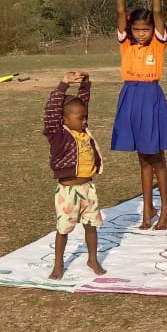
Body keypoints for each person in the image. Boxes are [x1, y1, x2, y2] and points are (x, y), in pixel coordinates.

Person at [111, 0, 167, 230]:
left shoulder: (158, 43)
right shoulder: (126, 43)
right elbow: (119, 11)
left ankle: (165, 207)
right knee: (143, 159)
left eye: (145, 29)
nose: (141, 33)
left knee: (156, 157)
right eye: (136, 29)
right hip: (130, 97)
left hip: (150, 97)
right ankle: (148, 209)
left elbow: (158, 11)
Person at [46, 70, 106, 279]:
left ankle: (93, 259)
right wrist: (63, 85)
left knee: (91, 226)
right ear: (64, 119)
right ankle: (58, 263)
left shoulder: (83, 131)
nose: (84, 121)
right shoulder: (58, 135)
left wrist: (85, 83)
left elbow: (83, 104)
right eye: (80, 118)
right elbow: (52, 110)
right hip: (67, 193)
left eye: (85, 117)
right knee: (64, 229)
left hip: (88, 190)